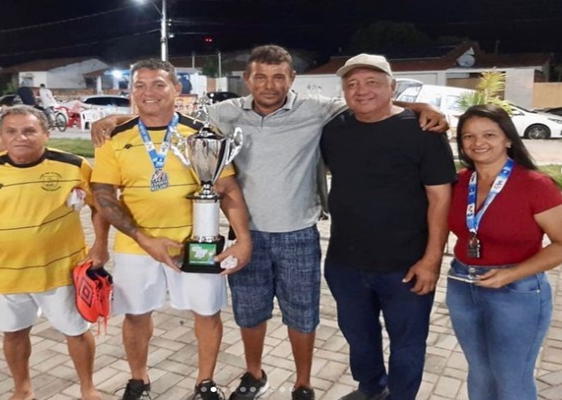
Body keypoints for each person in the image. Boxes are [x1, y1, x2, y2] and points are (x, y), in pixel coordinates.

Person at [90, 45, 448, 400]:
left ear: (292, 79)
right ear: (247, 80)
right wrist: (116, 119)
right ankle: (253, 373)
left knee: (303, 317)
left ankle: (303, 383)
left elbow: (372, 105)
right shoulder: (222, 113)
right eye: (260, 77)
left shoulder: (316, 109)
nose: (269, 85)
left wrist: (424, 107)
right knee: (249, 314)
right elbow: (162, 116)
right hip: (245, 235)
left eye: (279, 77)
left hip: (299, 233)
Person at [90, 59, 252, 400]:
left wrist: (243, 239)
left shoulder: (202, 135)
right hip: (136, 246)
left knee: (207, 314)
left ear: (177, 90)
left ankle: (205, 383)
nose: (148, 92)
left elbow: (228, 189)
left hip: (198, 245)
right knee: (135, 315)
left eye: (159, 84)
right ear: (130, 91)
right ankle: (139, 380)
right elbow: (103, 197)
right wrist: (142, 239)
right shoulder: (114, 139)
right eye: (140, 85)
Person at [0, 105, 110, 400]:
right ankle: (22, 388)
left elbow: (99, 206)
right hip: (8, 273)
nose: (20, 137)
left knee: (76, 330)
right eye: (11, 131)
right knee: (14, 333)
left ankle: (88, 387)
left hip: (61, 271)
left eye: (29, 130)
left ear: (45, 134)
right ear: (0, 136)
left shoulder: (73, 165)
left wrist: (100, 245)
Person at [320, 54, 455, 400]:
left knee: (407, 342)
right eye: (352, 84)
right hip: (345, 263)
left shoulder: (423, 132)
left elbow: (441, 201)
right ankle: (370, 388)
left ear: (392, 87)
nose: (361, 90)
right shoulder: (334, 129)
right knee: (358, 336)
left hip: (406, 266)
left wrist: (432, 261)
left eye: (372, 82)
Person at [446, 104, 562, 400]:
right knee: (480, 372)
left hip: (517, 290)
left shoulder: (536, 185)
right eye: (468, 136)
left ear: (508, 139)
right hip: (463, 285)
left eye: (489, 134)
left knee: (512, 380)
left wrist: (512, 274)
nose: (478, 143)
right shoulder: (459, 181)